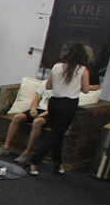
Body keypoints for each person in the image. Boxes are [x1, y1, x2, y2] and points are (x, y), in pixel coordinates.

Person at [27, 44, 99, 176]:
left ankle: (58, 163)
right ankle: (34, 161)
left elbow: (48, 86)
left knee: (58, 134)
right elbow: (86, 90)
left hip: (54, 103)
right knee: (56, 134)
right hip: (69, 105)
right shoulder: (83, 70)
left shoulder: (56, 66)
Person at [0, 90, 50, 163]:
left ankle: (27, 153)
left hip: (50, 113)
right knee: (17, 117)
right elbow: (36, 100)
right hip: (38, 110)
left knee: (37, 122)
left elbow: (55, 107)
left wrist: (40, 115)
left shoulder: (60, 88)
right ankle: (6, 147)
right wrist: (33, 110)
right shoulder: (45, 83)